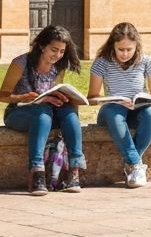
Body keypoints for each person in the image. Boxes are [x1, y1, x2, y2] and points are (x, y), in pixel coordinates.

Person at [0, 25, 87, 195]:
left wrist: (63, 97)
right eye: (54, 49)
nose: (58, 55)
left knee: (69, 113)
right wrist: (24, 97)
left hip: (47, 110)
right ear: (41, 45)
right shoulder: (20, 63)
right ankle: (37, 173)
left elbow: (53, 91)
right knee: (43, 115)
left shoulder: (58, 66)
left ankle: (74, 171)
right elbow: (2, 95)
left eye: (62, 51)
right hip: (18, 112)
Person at [87, 22, 151, 188]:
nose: (125, 53)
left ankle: (131, 164)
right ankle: (136, 164)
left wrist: (142, 100)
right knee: (115, 113)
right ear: (112, 45)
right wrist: (115, 100)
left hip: (137, 110)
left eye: (129, 49)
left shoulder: (147, 62)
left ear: (137, 46)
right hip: (112, 112)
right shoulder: (102, 63)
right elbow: (92, 98)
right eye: (121, 49)